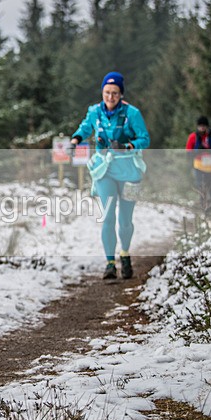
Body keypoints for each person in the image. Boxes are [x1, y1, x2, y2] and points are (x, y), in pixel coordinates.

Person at [69, 72, 150, 280]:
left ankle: (124, 253)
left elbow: (145, 139)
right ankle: (110, 263)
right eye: (107, 92)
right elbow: (85, 127)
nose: (110, 97)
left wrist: (128, 145)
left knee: (125, 220)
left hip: (129, 170)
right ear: (102, 92)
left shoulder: (132, 113)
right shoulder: (95, 111)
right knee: (107, 216)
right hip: (104, 170)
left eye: (115, 93)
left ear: (121, 94)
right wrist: (76, 139)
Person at [185, 116, 211, 216]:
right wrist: (198, 151)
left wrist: (209, 150)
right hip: (200, 167)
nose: (202, 128)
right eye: (200, 126)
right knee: (202, 188)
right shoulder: (193, 137)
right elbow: (188, 153)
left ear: (207, 127)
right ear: (197, 127)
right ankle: (205, 211)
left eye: (204, 126)